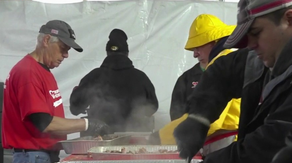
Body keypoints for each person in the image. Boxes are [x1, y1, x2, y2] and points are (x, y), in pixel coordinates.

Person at [173, 0, 292, 163]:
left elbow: (273, 144)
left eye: (256, 32)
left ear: (289, 19)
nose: (250, 45)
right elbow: (223, 71)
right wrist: (199, 117)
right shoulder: (266, 59)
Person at [2, 20, 111, 163]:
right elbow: (44, 123)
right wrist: (88, 123)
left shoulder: (43, 71)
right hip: (33, 156)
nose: (66, 55)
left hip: (42, 154)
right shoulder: (28, 72)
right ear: (47, 40)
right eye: (63, 48)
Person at [149, 14, 240, 156]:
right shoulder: (229, 60)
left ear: (213, 41)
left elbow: (208, 119)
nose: (195, 54)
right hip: (226, 144)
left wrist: (159, 137)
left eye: (198, 47)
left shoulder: (223, 64)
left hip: (227, 145)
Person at [69, 28, 158, 134]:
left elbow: (75, 108)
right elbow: (152, 107)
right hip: (133, 139)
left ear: (107, 52)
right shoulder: (141, 77)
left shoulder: (93, 77)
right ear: (127, 53)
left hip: (98, 140)